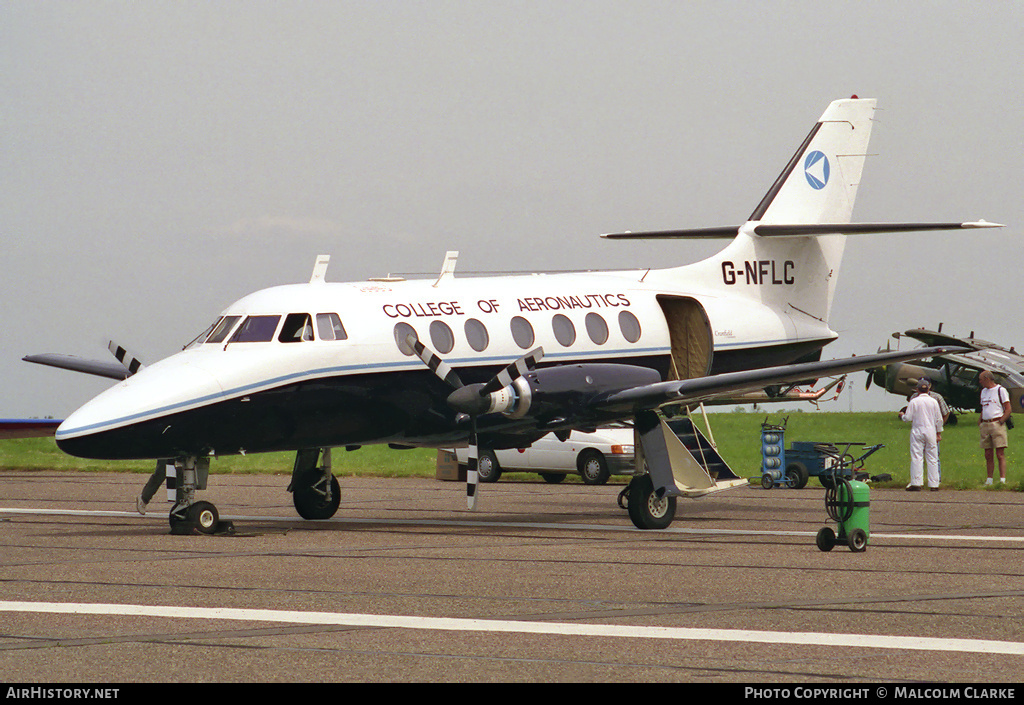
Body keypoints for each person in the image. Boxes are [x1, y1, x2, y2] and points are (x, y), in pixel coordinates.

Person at [900, 379, 943, 491]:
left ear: (917, 389)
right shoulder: (934, 401)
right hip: (931, 431)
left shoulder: (914, 401)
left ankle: (916, 483)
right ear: (928, 389)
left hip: (918, 430)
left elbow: (908, 418)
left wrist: (902, 416)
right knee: (933, 458)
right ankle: (934, 484)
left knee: (917, 456)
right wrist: (938, 433)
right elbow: (939, 419)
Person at [978, 370, 1011, 485]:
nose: (980, 382)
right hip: (985, 424)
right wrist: (980, 420)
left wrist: (1001, 421)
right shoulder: (983, 392)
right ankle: (989, 479)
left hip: (997, 423)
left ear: (987, 378)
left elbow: (1008, 408)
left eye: (981, 379)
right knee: (988, 453)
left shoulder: (1000, 390)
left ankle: (1002, 479)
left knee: (1000, 453)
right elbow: (984, 408)